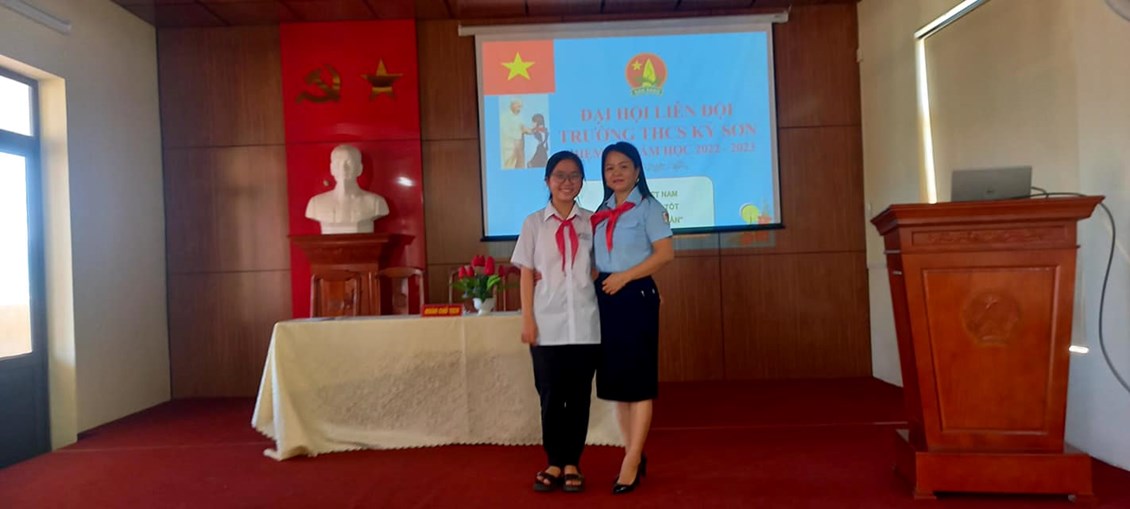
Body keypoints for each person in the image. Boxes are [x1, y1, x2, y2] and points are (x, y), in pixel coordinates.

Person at [511, 151, 601, 493]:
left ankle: (572, 462)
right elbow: (526, 274)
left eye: (574, 175)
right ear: (547, 180)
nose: (567, 182)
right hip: (546, 326)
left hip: (585, 324)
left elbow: (601, 266)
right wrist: (528, 320)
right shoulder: (534, 223)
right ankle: (553, 460)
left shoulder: (592, 222)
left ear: (582, 182)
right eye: (560, 175)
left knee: (578, 398)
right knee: (550, 396)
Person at [591, 141, 674, 495]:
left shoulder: (650, 208)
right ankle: (632, 452)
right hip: (605, 298)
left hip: (635, 295)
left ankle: (631, 460)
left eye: (624, 166)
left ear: (638, 170)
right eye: (610, 167)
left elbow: (665, 254)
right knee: (617, 385)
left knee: (638, 383)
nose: (616, 173)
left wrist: (626, 277)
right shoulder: (600, 210)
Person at [305, 144, 389, 234]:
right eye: (338, 163)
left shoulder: (376, 203)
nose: (343, 168)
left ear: (359, 168)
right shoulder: (315, 204)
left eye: (349, 163)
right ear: (332, 168)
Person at [500, 98, 531, 169]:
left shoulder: (519, 116)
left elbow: (522, 128)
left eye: (521, 107)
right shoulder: (504, 117)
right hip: (509, 148)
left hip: (519, 148)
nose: (520, 109)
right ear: (513, 105)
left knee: (520, 166)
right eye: (518, 106)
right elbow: (506, 132)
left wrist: (528, 130)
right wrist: (521, 131)